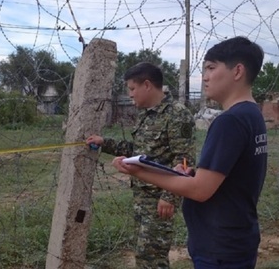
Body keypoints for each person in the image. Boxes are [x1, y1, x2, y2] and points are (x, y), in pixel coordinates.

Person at [112, 36, 268, 269]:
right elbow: (229, 176)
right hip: (236, 236)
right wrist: (192, 173)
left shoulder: (230, 121)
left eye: (211, 68)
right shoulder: (252, 115)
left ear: (237, 71)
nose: (204, 77)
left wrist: (138, 172)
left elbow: (201, 190)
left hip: (219, 246)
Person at [86, 62, 196, 268]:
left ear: (147, 85)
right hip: (142, 197)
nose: (130, 94)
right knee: (144, 255)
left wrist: (169, 196)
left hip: (159, 199)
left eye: (132, 88)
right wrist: (104, 143)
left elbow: (184, 160)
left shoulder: (176, 115)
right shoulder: (146, 114)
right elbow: (139, 151)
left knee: (152, 259)